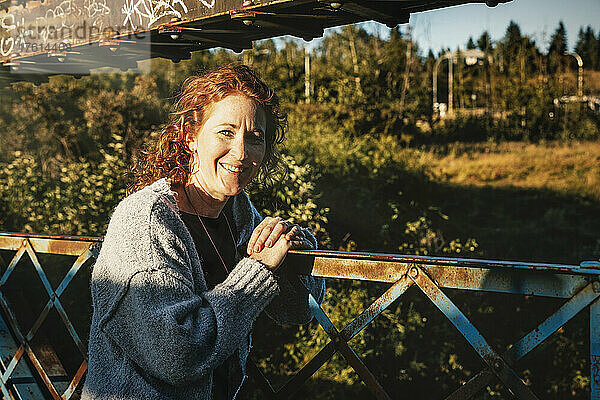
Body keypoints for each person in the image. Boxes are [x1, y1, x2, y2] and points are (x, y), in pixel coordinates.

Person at [81, 65, 326, 400]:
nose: (241, 153)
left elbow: (294, 312)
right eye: (225, 132)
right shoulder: (146, 221)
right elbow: (176, 355)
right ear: (190, 137)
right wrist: (259, 271)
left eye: (255, 138)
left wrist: (297, 257)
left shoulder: (239, 214)